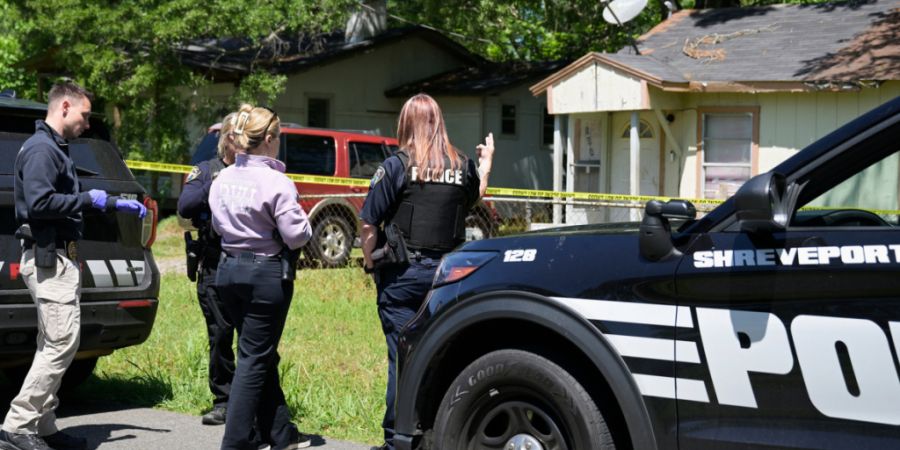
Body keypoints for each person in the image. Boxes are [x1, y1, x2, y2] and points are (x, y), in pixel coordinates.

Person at [1, 82, 146, 450]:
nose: (86, 122)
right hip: (48, 258)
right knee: (62, 342)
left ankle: (45, 425)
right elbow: (40, 203)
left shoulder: (55, 149)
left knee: (52, 342)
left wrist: (110, 203)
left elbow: (63, 197)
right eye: (83, 114)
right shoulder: (40, 150)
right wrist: (88, 198)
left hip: (60, 258)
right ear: (65, 106)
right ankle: (18, 425)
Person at [360, 93, 495, 450]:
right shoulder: (463, 164)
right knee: (441, 356)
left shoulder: (395, 165)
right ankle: (438, 434)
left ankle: (397, 441)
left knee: (401, 358)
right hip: (449, 277)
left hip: (403, 277)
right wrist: (487, 165)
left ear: (406, 123)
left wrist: (370, 261)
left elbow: (368, 223)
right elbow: (474, 197)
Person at [209, 104, 313, 450]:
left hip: (227, 272)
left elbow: (215, 225)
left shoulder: (222, 177)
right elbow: (297, 235)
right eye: (279, 137)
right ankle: (235, 441)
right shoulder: (277, 181)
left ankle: (280, 434)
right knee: (253, 359)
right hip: (264, 274)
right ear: (269, 139)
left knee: (258, 351)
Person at [177, 113, 240, 426]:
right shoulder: (206, 171)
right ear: (228, 138)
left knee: (252, 338)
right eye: (239, 136)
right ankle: (224, 399)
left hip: (247, 264)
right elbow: (185, 208)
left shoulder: (253, 171)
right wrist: (214, 185)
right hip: (214, 263)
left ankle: (251, 402)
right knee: (220, 334)